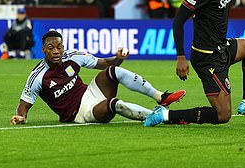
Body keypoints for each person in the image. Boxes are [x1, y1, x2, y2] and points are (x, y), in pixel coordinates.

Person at [10, 30, 185, 125]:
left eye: (59, 47)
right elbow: (23, 106)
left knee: (114, 71)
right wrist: (21, 117)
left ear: (63, 47)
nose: (56, 51)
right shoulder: (38, 76)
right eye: (51, 47)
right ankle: (163, 117)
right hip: (80, 113)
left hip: (90, 92)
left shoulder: (72, 56)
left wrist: (118, 59)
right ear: (43, 50)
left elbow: (103, 64)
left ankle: (161, 97)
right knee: (115, 104)